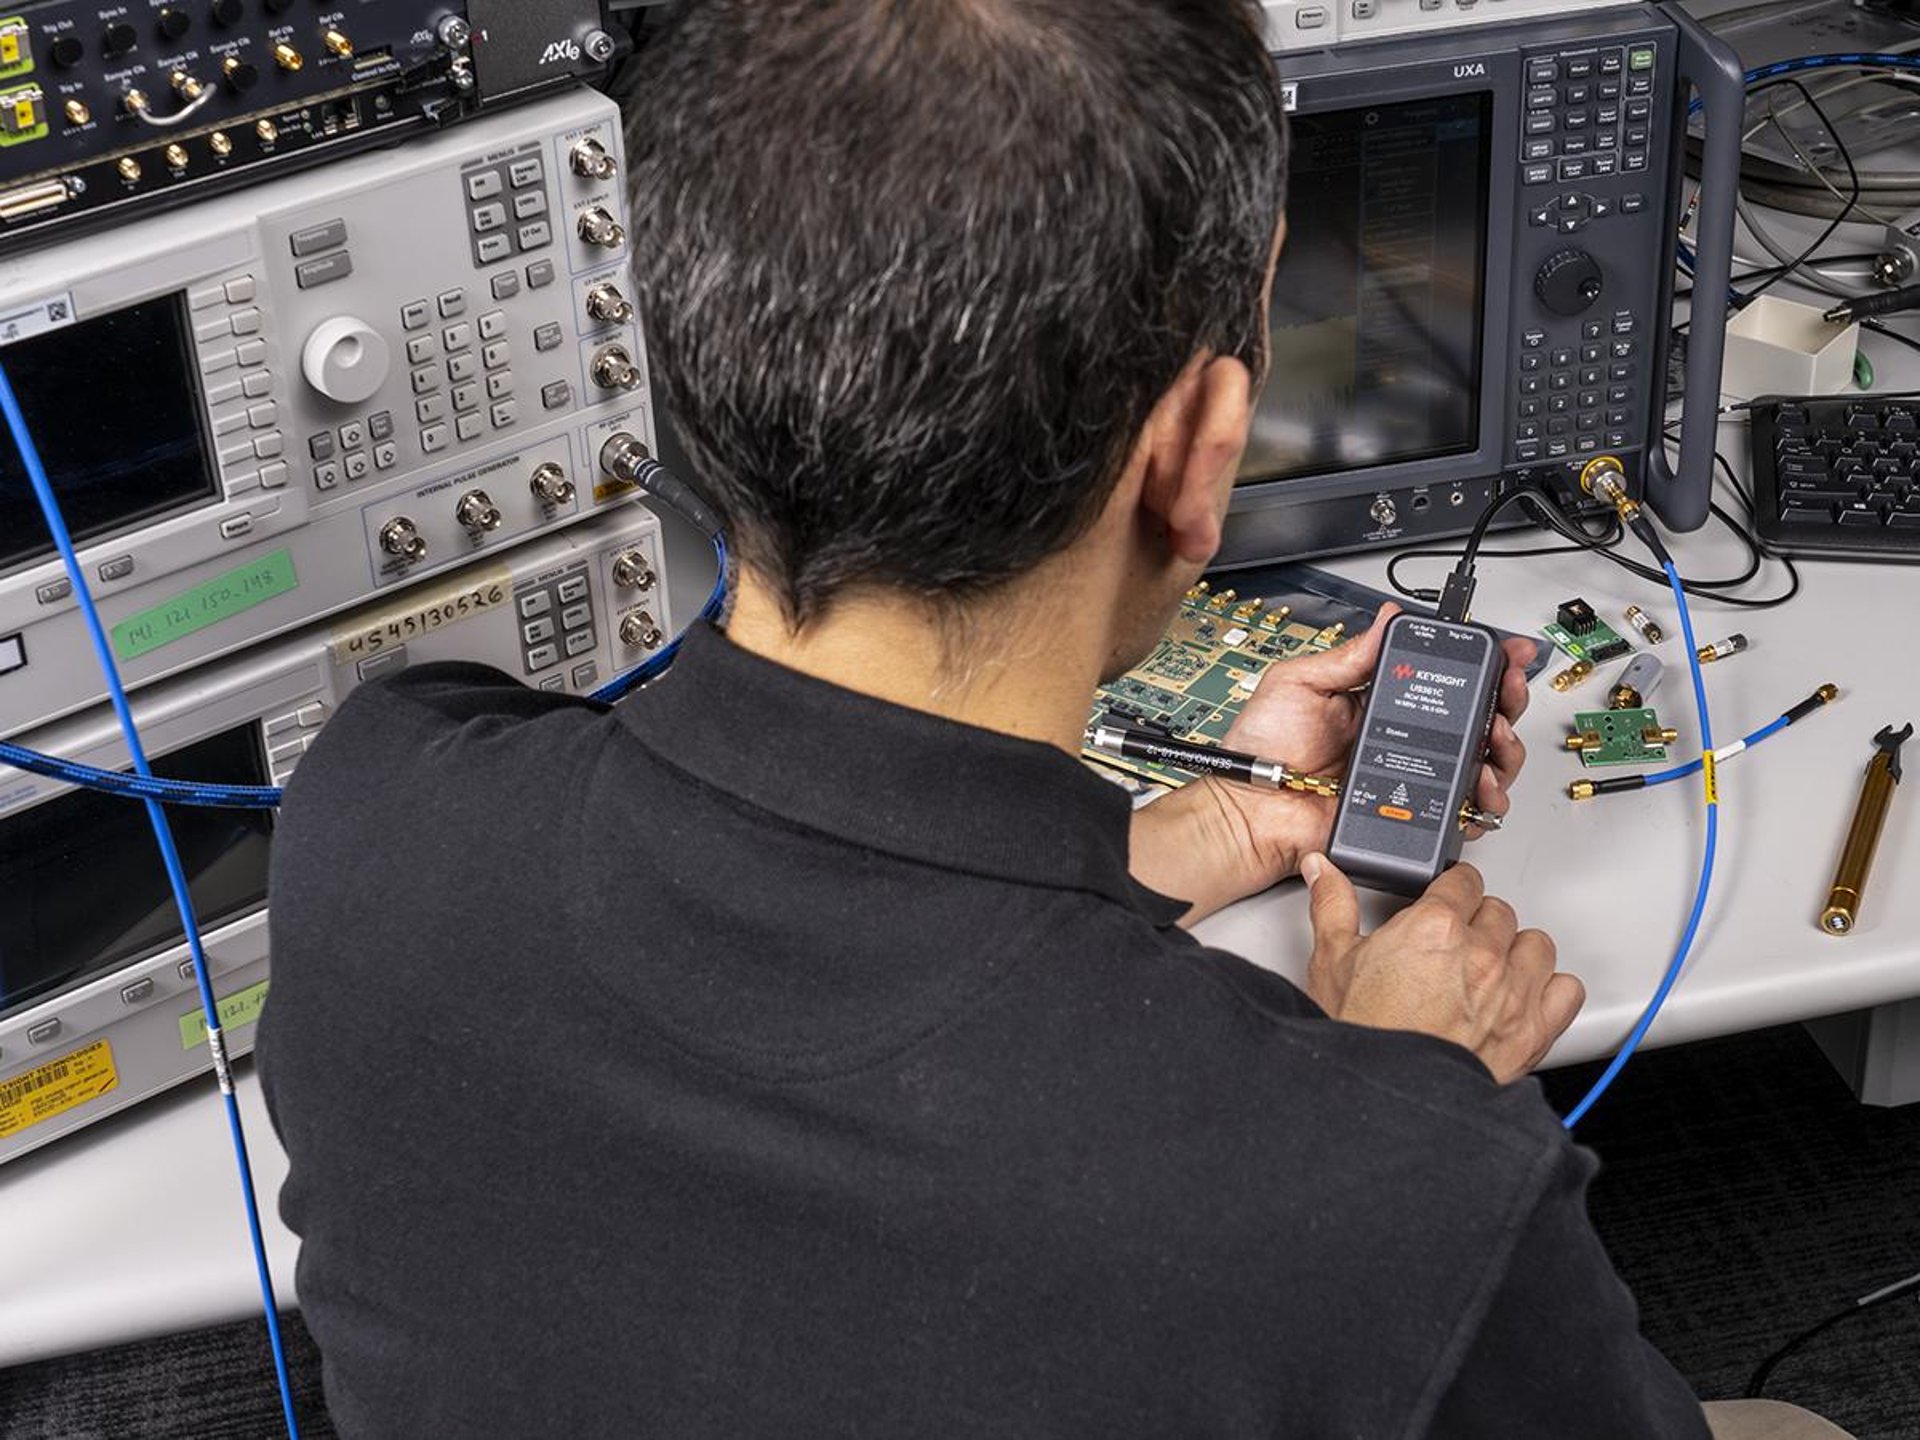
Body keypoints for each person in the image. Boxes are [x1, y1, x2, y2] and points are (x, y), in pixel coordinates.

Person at [256, 2, 1848, 1436]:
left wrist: (1210, 832)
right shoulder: (1392, 1194)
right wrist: (1395, 1099)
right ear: (1202, 454)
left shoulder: (372, 815)